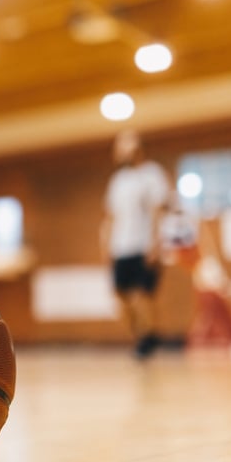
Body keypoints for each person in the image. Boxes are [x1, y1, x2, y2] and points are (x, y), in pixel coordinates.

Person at [99, 130, 170, 359]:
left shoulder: (152, 174)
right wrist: (105, 245)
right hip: (121, 247)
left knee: (141, 295)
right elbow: (110, 216)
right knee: (122, 295)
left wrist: (156, 243)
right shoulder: (118, 181)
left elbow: (158, 211)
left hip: (143, 245)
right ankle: (144, 336)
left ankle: (147, 338)